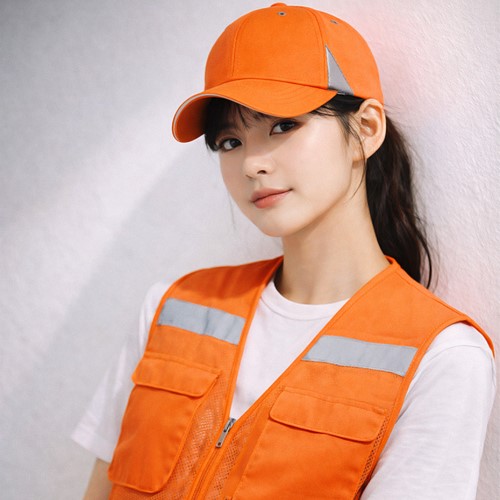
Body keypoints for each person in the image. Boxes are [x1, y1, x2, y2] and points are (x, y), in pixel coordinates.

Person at [73, 4, 496, 499]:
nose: (251, 164)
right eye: (229, 141)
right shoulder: (172, 309)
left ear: (366, 130)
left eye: (282, 126)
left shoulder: (442, 358)